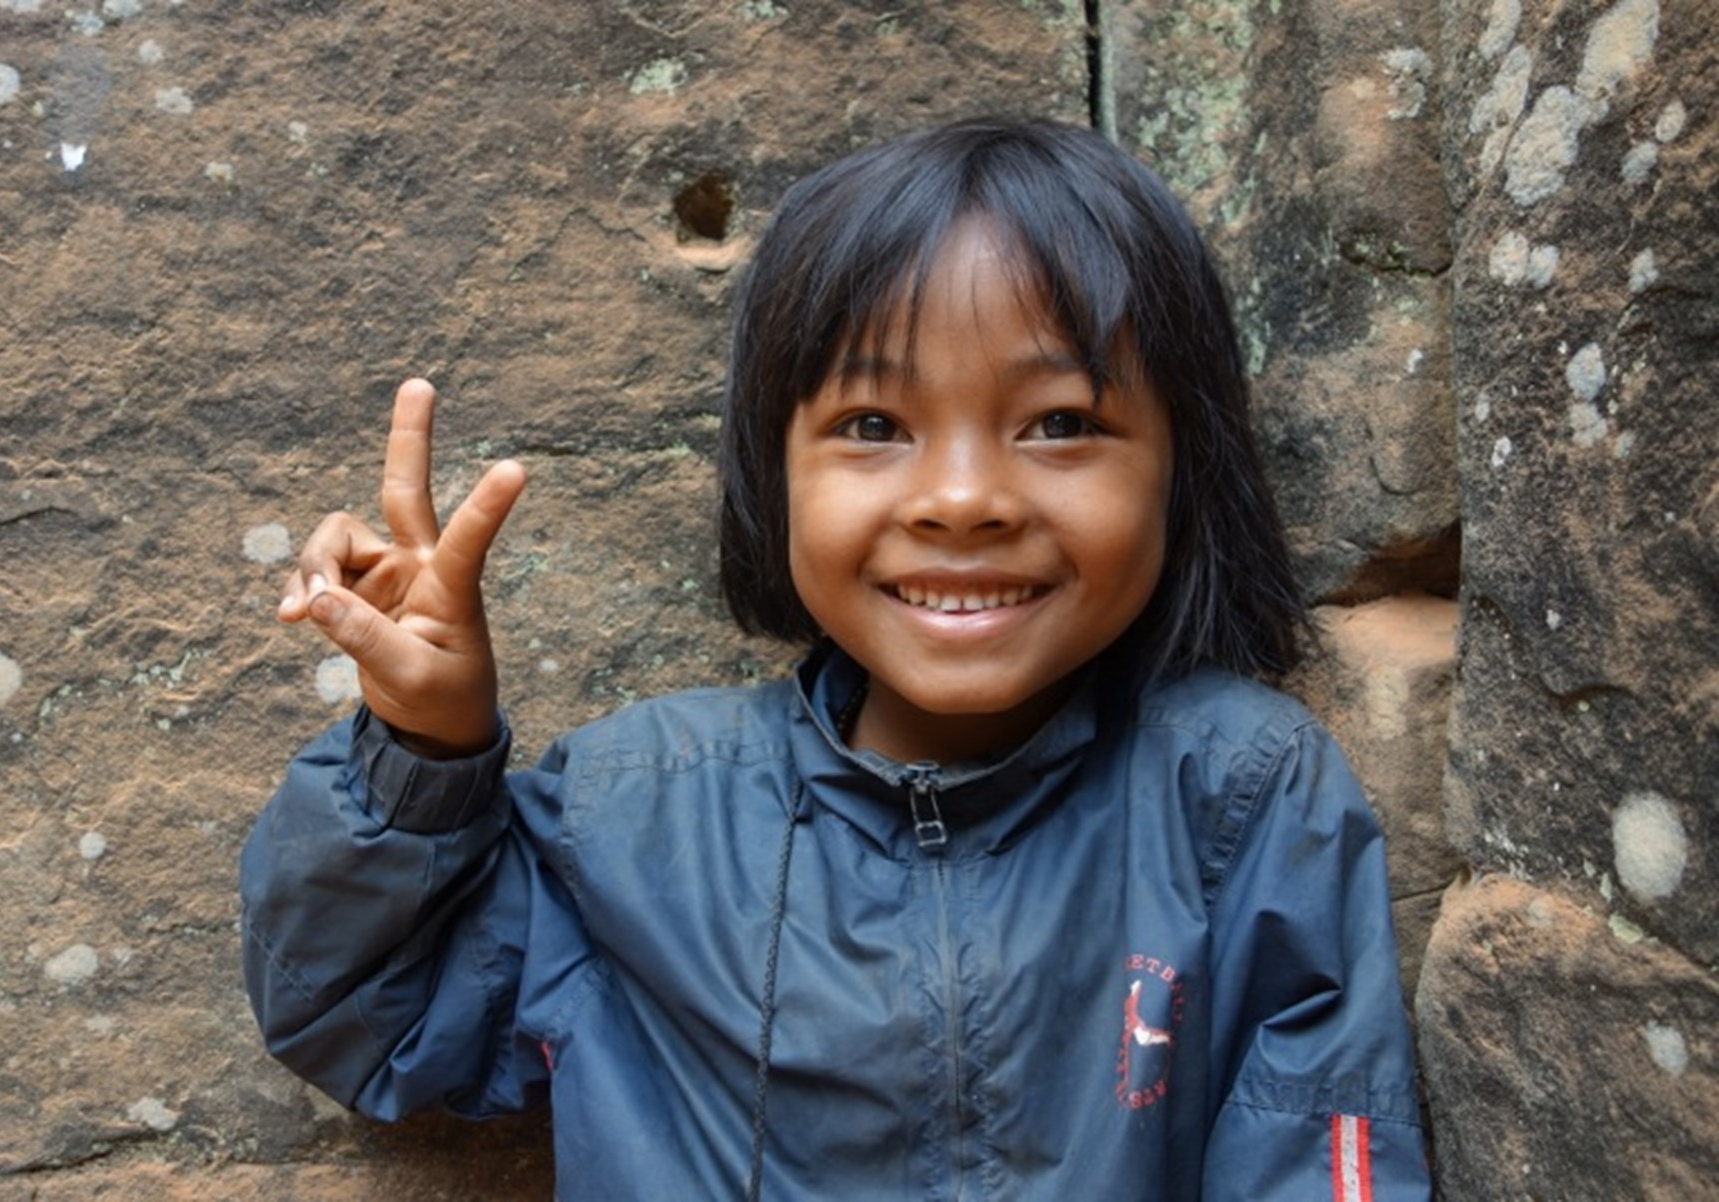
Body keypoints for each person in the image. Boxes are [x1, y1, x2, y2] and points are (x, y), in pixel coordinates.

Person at [241, 116, 1431, 1200]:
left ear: (1186, 465)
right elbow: (364, 1020)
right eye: (873, 426)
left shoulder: (1241, 794)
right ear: (774, 473)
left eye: (1061, 422)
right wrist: (422, 749)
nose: (962, 499)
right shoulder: (635, 815)